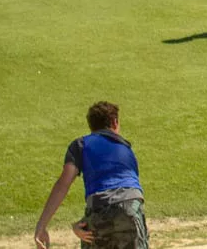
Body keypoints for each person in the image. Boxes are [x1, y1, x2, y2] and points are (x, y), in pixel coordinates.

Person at [34, 101, 149, 249]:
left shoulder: (81, 144)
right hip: (132, 207)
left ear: (91, 126)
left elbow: (63, 184)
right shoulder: (127, 149)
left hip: (100, 207)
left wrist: (42, 225)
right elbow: (119, 202)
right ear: (115, 122)